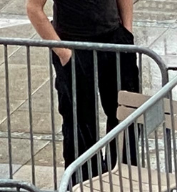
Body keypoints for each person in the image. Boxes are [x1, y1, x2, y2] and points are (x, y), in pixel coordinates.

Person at [26, 0, 139, 178]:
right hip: (73, 45)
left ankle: (125, 179)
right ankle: (84, 186)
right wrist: (63, 52)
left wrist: (126, 31)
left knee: (127, 113)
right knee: (79, 121)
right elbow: (33, 9)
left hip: (114, 39)